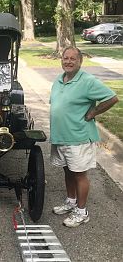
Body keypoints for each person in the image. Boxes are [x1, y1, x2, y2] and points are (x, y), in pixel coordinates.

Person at [50, 46, 119, 228]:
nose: (69, 61)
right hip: (61, 136)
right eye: (66, 58)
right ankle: (71, 202)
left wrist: (93, 112)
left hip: (78, 137)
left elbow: (112, 98)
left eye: (73, 59)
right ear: (61, 59)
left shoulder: (88, 81)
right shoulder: (59, 79)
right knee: (67, 170)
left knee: (79, 174)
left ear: (80, 61)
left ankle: (82, 212)